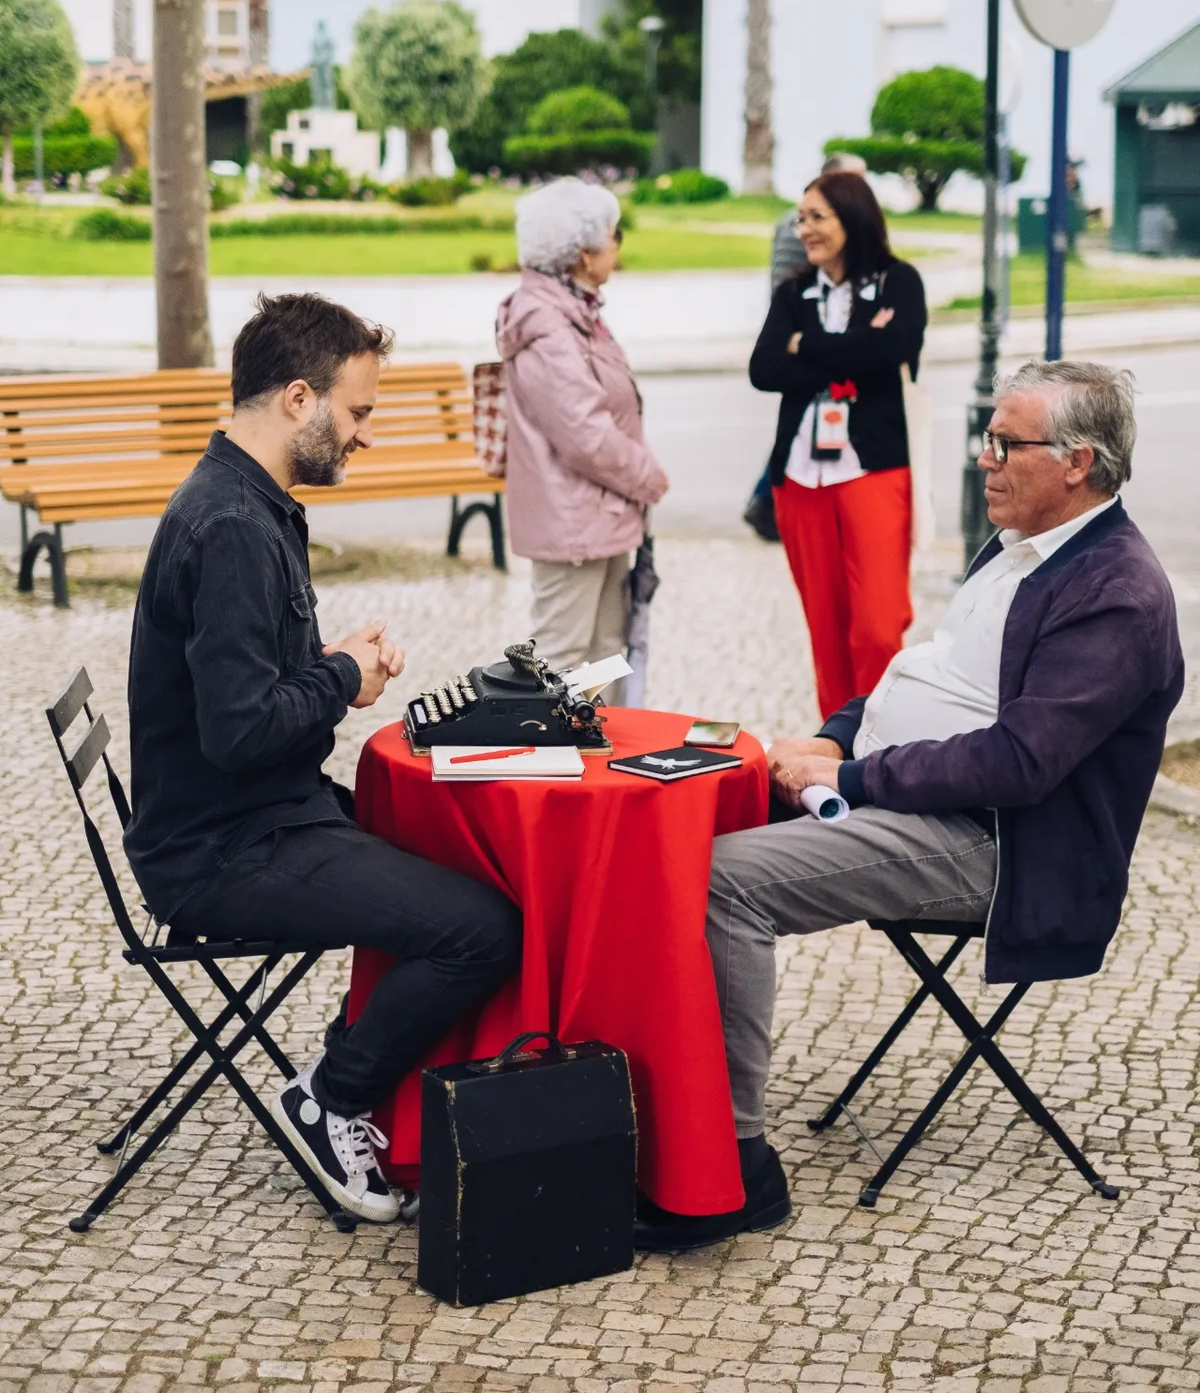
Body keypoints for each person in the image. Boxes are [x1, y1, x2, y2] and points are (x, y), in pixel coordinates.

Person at [634, 360, 1183, 1251]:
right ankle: (634, 1101)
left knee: (722, 882)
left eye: (1006, 443)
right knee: (669, 817)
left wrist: (851, 780)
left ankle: (730, 1167)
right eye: (988, 438)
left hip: (1007, 846)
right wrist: (836, 740)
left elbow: (1017, 766)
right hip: (916, 800)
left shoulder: (1114, 591)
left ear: (1078, 462)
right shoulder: (1022, 546)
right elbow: (929, 675)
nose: (983, 458)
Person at [124, 293, 522, 1224]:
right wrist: (342, 675)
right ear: (298, 398)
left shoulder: (247, 502)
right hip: (223, 851)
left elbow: (251, 698)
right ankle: (332, 1097)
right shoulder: (233, 527)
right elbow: (241, 734)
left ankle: (361, 1078)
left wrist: (332, 662)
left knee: (464, 858)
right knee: (483, 931)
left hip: (255, 817)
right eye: (358, 411)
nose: (365, 434)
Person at [750, 170, 927, 721]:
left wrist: (806, 345)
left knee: (877, 626)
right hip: (801, 479)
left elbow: (893, 350)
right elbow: (764, 368)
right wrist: (850, 352)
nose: (804, 229)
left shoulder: (899, 282)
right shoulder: (794, 291)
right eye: (800, 218)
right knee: (825, 631)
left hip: (872, 472)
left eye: (817, 217)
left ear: (851, 217)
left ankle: (880, 741)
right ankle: (838, 745)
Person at [495, 177, 669, 701]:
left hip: (599, 512)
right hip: (573, 519)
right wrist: (648, 478)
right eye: (615, 235)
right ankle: (554, 750)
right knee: (561, 656)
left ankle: (598, 746)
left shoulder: (577, 313)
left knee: (604, 653)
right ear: (583, 253)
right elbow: (583, 434)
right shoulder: (549, 325)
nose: (618, 246)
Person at [743, 153, 868, 544]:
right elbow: (786, 288)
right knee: (805, 423)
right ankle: (765, 502)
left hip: (816, 342)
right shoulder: (796, 226)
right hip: (802, 340)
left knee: (815, 424)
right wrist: (802, 338)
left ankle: (768, 501)